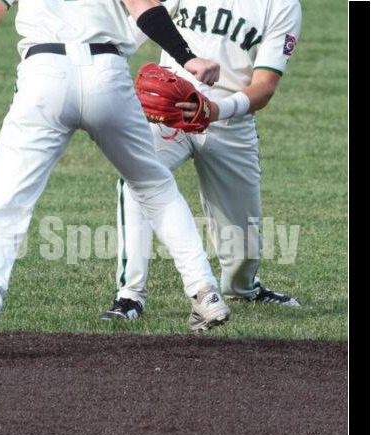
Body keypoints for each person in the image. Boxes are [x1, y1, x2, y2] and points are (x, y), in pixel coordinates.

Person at [0, 0, 232, 357]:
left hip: (44, 78)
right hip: (107, 76)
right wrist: (187, 57)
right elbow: (144, 7)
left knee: (7, 205)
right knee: (154, 186)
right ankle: (204, 292)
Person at [101, 0, 302, 320]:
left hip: (231, 122)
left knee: (243, 246)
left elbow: (264, 88)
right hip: (168, 112)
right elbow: (133, 29)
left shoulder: (281, 6)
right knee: (137, 179)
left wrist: (214, 110)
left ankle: (244, 288)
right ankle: (130, 295)